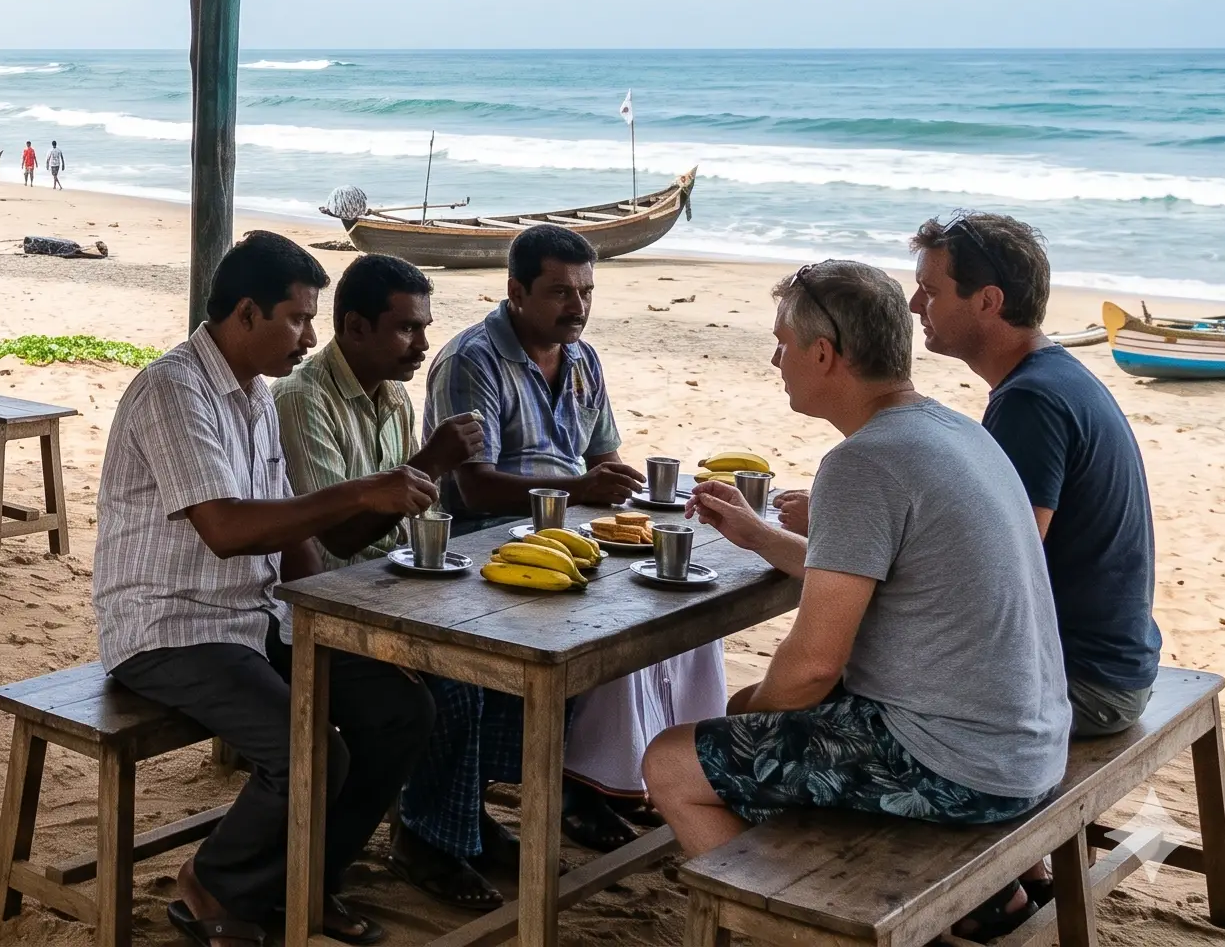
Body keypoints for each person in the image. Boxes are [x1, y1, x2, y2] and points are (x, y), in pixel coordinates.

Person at [642, 261, 1069, 878]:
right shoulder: (954, 431)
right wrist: (760, 536)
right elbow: (870, 575)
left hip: (959, 766)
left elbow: (814, 666)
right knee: (745, 719)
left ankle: (784, 915)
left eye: (781, 344)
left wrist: (748, 715)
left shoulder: (862, 463)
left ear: (823, 354)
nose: (774, 361)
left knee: (672, 762)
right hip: (1028, 744)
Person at [97, 232, 438, 945]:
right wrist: (359, 494)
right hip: (168, 628)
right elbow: (224, 527)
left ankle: (306, 881)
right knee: (311, 750)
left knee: (399, 711)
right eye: (298, 318)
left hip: (251, 620)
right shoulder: (172, 389)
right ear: (247, 314)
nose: (310, 337)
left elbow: (289, 538)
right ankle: (214, 882)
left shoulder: (255, 396)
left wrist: (344, 628)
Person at [397, 224, 722, 900]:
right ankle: (430, 833)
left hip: (565, 537)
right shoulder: (472, 361)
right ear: (516, 292)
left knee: (658, 614)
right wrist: (580, 489)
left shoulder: (582, 359)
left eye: (586, 291)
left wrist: (611, 478)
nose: (576, 306)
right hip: (484, 548)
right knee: (477, 677)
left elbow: (601, 452)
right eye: (559, 292)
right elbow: (472, 487)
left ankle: (584, 781)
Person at [907, 212, 1160, 739]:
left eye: (929, 291)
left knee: (850, 683)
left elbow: (1002, 565)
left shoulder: (1030, 401)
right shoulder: (1054, 375)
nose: (914, 306)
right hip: (1114, 664)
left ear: (988, 301)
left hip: (1083, 683)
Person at [271, 253, 486, 559]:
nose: (423, 344)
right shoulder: (302, 398)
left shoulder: (393, 392)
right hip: (339, 587)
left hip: (393, 574)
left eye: (424, 327)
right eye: (408, 329)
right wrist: (433, 461)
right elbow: (336, 541)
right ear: (356, 327)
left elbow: (420, 514)